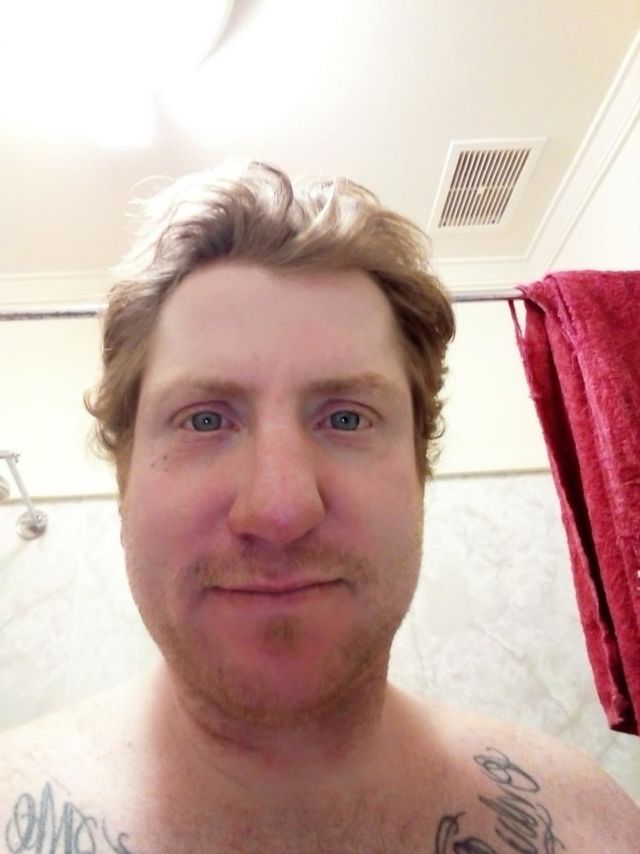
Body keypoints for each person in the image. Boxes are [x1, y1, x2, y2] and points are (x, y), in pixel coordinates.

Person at [1, 160, 638, 854]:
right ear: (125, 480)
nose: (280, 509)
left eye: (347, 418)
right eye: (205, 420)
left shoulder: (589, 825)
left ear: (419, 471)